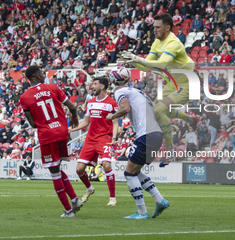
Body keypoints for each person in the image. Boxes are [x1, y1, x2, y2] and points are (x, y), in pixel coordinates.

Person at [118, 13, 197, 167]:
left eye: (157, 27)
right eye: (153, 27)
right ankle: (190, 119)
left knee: (159, 111)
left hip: (187, 84)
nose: (154, 30)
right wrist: (133, 61)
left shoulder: (173, 43)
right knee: (157, 111)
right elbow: (149, 65)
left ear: (167, 28)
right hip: (171, 84)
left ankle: (169, 151)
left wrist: (138, 59)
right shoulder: (157, 42)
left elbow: (161, 64)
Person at [20, 66, 82, 218]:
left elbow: (33, 124)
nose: (43, 75)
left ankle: (68, 211)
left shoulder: (25, 97)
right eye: (41, 73)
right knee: (58, 169)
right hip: (62, 132)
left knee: (54, 173)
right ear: (35, 76)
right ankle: (74, 200)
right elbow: (72, 107)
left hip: (48, 135)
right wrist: (73, 117)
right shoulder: (53, 88)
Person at [106, 70, 169, 219]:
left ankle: (142, 212)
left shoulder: (120, 91)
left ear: (113, 81)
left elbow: (126, 108)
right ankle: (160, 200)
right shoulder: (139, 92)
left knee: (129, 173)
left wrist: (112, 116)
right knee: (135, 171)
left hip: (146, 135)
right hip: (156, 134)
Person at [69, 77, 119, 206]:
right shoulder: (90, 102)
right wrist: (72, 129)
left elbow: (115, 123)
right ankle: (90, 189)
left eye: (95, 84)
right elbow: (86, 122)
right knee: (79, 169)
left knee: (107, 165)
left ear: (102, 87)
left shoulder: (112, 103)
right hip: (90, 139)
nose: (92, 87)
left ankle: (112, 198)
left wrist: (114, 138)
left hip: (104, 138)